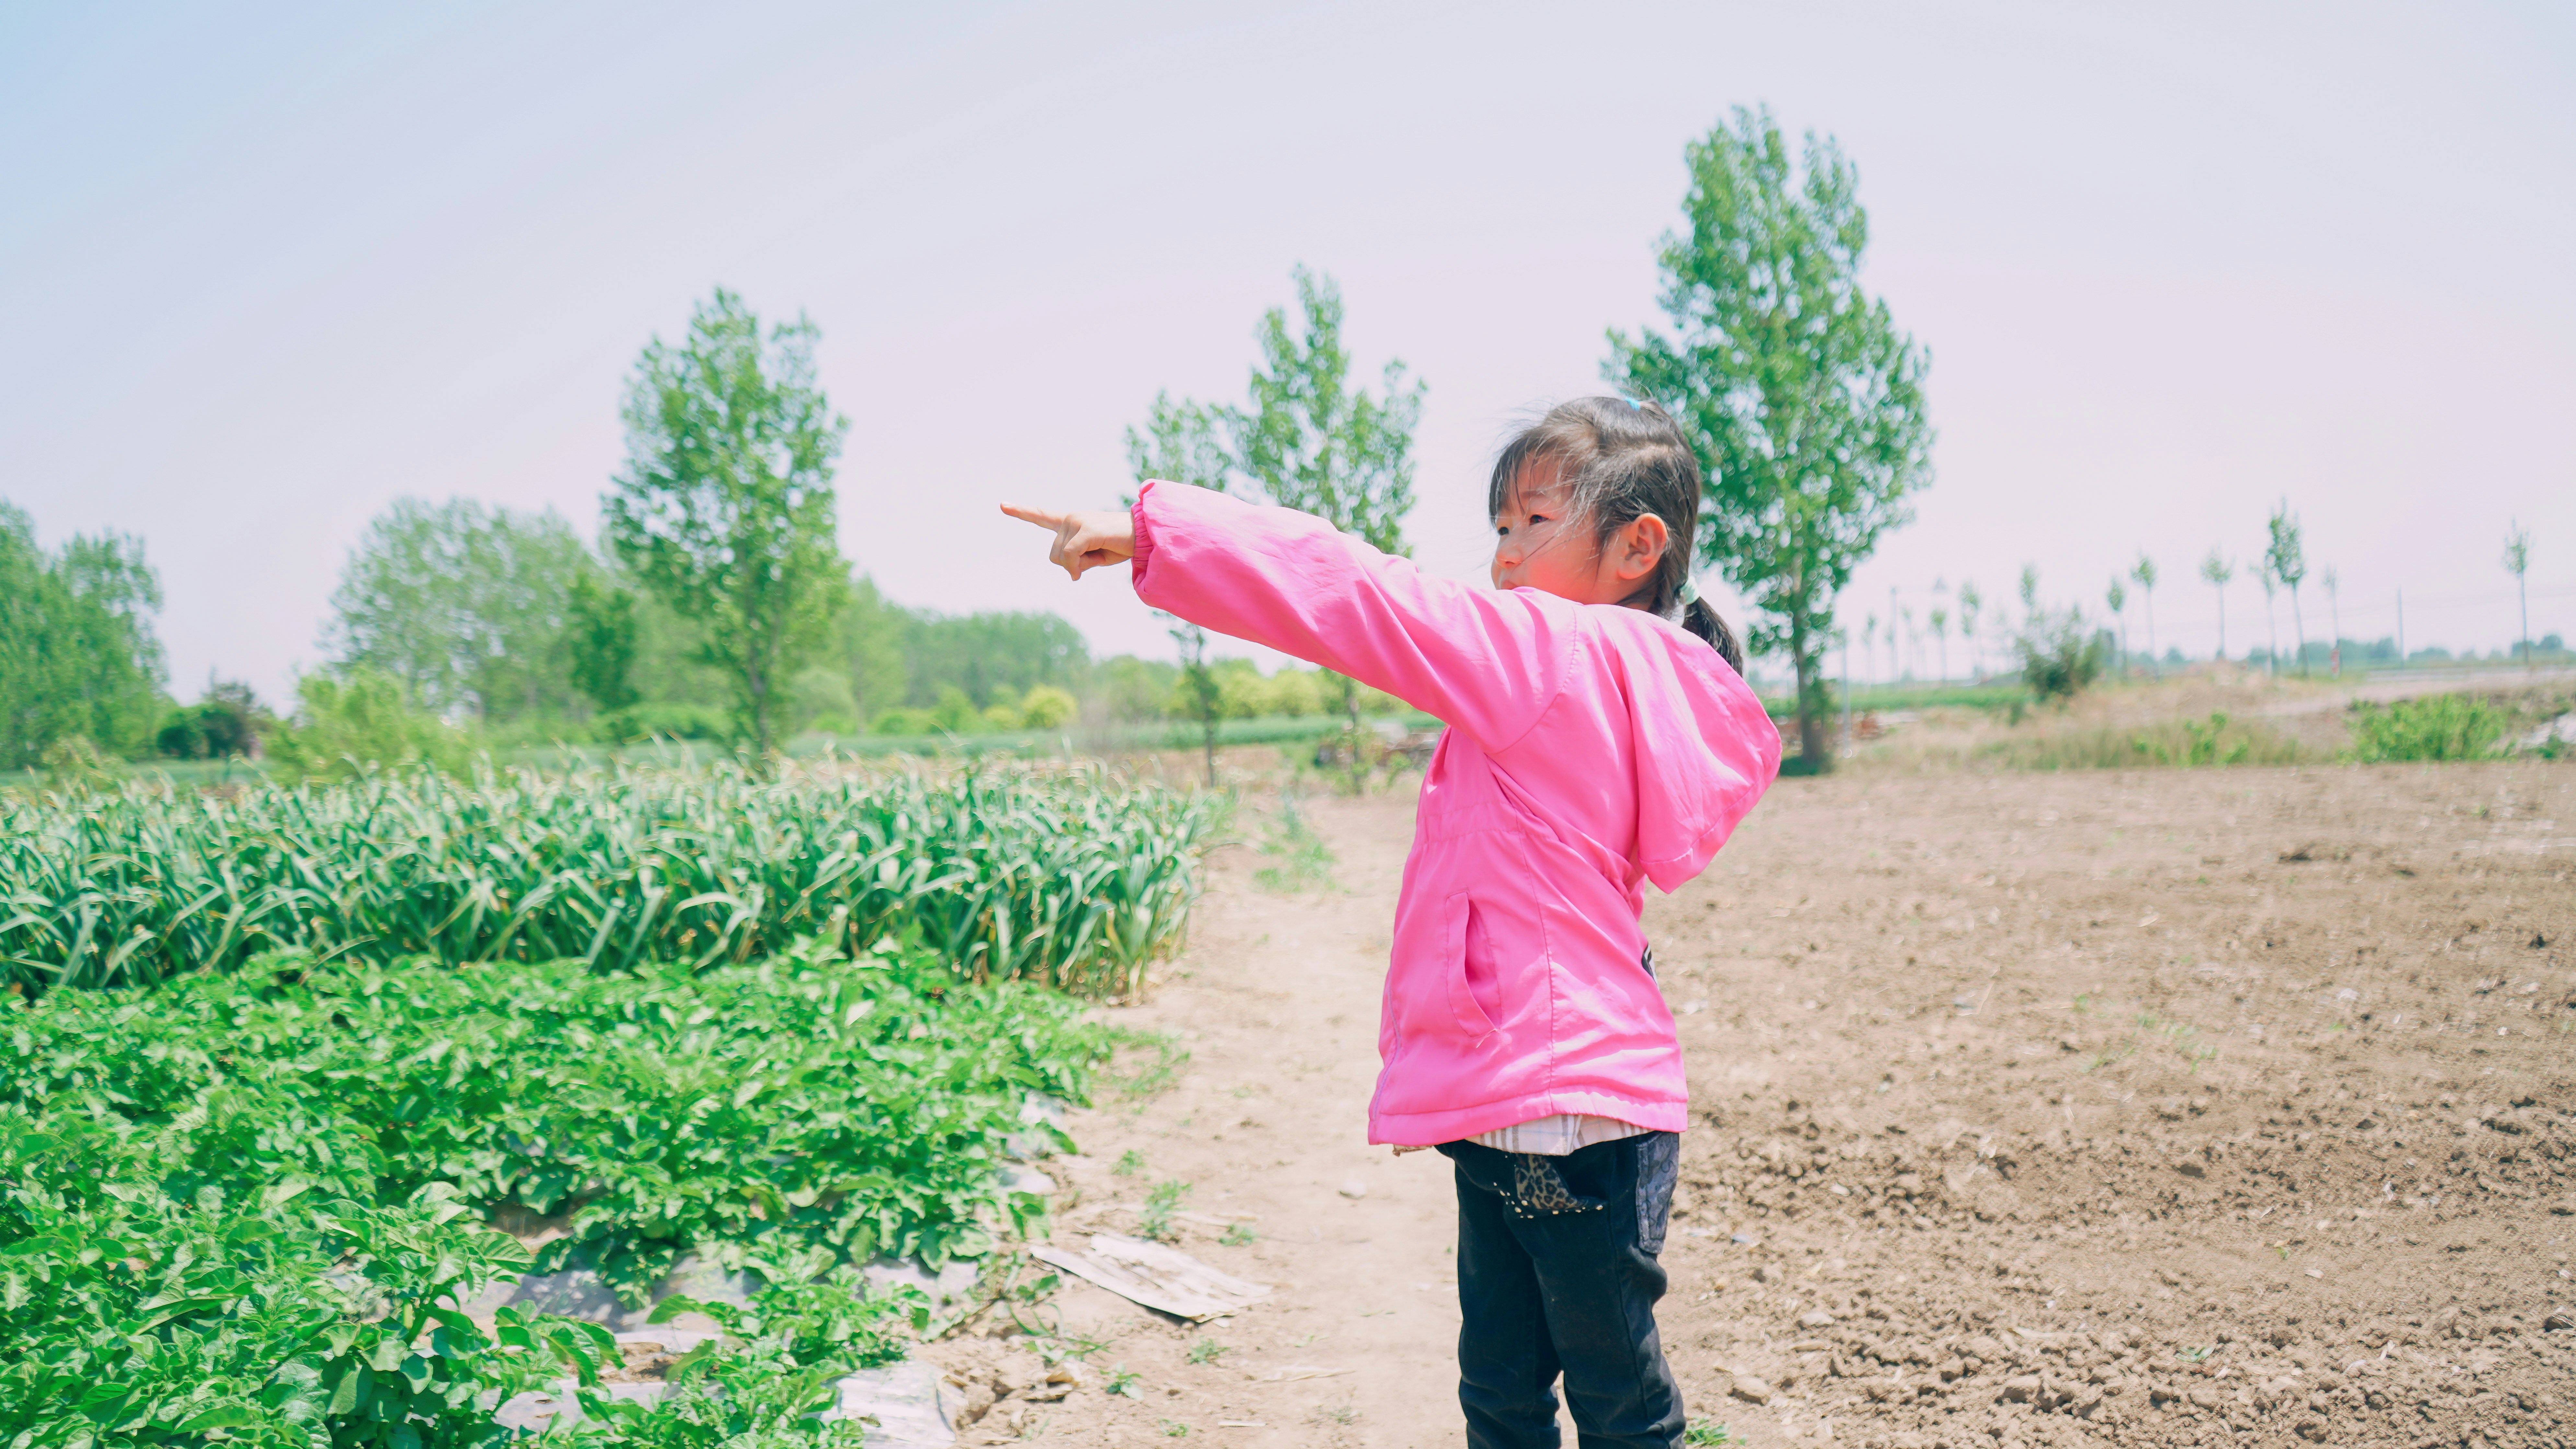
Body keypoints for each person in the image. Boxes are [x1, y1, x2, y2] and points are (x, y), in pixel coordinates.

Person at [1003, 396, 1781, 1449]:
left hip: (1570, 1101)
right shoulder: (1598, 673)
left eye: (1533, 524)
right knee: (1516, 1392)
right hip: (1526, 1094)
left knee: (1605, 1404)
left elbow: (1360, 594)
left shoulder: (1554, 658)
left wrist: (1160, 533)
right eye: (1498, 530)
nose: (1503, 559)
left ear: (1637, 547)